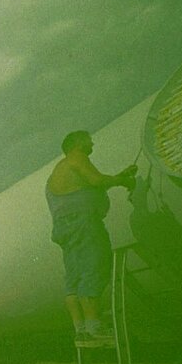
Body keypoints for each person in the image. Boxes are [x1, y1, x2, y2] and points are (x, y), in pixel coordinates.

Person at [45, 130, 134, 340]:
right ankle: (95, 327)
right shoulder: (77, 157)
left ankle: (81, 330)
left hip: (66, 229)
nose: (92, 144)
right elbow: (96, 181)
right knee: (94, 268)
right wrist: (124, 181)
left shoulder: (56, 173)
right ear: (76, 144)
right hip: (84, 225)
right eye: (88, 141)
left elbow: (85, 185)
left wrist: (120, 175)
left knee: (74, 279)